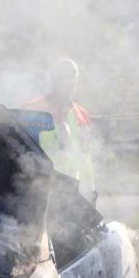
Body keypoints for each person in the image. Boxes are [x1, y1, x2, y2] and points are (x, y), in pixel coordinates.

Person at [23, 58, 96, 202]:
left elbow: (85, 158)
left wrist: (90, 191)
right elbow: (20, 151)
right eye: (65, 77)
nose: (71, 82)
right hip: (38, 193)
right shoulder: (33, 110)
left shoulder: (82, 115)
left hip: (71, 195)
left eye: (74, 77)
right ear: (55, 80)